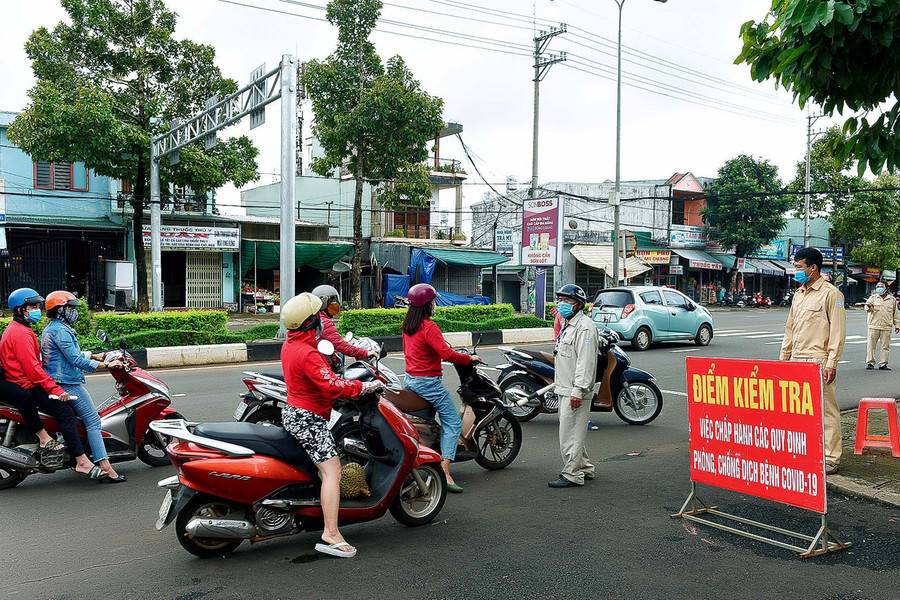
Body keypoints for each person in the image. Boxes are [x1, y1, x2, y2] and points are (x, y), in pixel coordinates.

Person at [280, 292, 382, 559]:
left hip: (294, 412)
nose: (320, 319)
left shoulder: (290, 344)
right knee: (333, 472)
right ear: (310, 322)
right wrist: (365, 386)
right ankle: (331, 533)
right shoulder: (308, 353)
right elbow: (333, 386)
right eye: (316, 316)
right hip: (309, 418)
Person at [0, 288, 106, 479]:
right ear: (19, 310)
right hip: (27, 384)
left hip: (25, 381)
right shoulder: (21, 334)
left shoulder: (22, 329)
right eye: (32, 306)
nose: (37, 310)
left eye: (38, 306)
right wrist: (54, 389)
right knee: (65, 411)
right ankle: (81, 461)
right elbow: (33, 369)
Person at [401, 283, 480, 494]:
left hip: (411, 381)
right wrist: (469, 358)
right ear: (427, 304)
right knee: (453, 422)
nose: (435, 304)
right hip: (429, 384)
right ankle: (445, 470)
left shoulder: (408, 325)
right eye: (433, 301)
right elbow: (445, 353)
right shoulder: (429, 327)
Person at [41, 291, 126, 483]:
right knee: (93, 422)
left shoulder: (53, 328)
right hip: (67, 383)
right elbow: (74, 359)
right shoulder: (61, 331)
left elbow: (68, 354)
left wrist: (95, 355)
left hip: (58, 381)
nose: (74, 312)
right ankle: (105, 467)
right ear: (60, 310)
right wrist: (106, 365)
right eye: (70, 308)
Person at [780, 247, 846, 475]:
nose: (795, 271)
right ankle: (808, 451)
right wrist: (784, 359)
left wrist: (832, 363)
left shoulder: (831, 294)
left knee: (826, 410)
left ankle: (831, 457)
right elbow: (790, 329)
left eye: (799, 267)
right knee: (800, 411)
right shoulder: (799, 295)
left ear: (813, 268)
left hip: (818, 360)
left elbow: (837, 331)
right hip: (797, 359)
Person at [549, 284, 600, 488]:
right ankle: (585, 468)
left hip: (575, 391)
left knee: (569, 435)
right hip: (565, 388)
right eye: (560, 300)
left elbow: (585, 363)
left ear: (578, 304)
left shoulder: (585, 327)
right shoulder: (568, 324)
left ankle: (572, 475)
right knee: (573, 432)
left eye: (566, 301)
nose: (561, 304)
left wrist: (578, 390)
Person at [311, 285, 377, 363]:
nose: (336, 304)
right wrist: (365, 353)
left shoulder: (315, 319)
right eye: (332, 300)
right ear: (323, 302)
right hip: (325, 363)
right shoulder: (324, 322)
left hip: (318, 359)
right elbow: (341, 346)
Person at [864, 281, 899, 371]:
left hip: (886, 326)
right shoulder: (872, 298)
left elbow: (895, 314)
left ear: (886, 288)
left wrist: (897, 325)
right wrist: (869, 306)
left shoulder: (892, 300)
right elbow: (866, 308)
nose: (879, 288)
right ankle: (870, 363)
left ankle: (883, 363)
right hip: (873, 326)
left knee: (885, 346)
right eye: (877, 286)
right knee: (871, 346)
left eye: (881, 286)